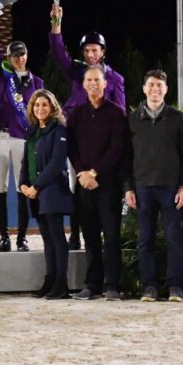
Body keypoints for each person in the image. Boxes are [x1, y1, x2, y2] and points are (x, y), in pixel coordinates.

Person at [49, 1, 126, 250]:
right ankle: (75, 234)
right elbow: (59, 55)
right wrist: (57, 23)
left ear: (102, 52)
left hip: (104, 141)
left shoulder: (115, 79)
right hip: (78, 138)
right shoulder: (78, 72)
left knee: (103, 188)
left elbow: (121, 111)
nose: (91, 55)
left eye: (95, 50)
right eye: (87, 51)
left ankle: (108, 233)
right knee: (76, 186)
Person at [124, 69, 183, 303]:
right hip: (142, 188)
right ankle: (149, 287)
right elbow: (126, 156)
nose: (155, 89)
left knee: (174, 239)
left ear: (166, 89)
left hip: (170, 189)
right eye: (151, 85)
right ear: (144, 88)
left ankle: (175, 287)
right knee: (145, 240)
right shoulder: (133, 118)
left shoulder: (177, 118)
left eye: (159, 85)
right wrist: (128, 188)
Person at [0, 12, 44, 252]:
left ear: (27, 56)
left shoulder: (37, 82)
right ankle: (3, 237)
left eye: (22, 54)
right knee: (0, 187)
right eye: (15, 55)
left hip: (22, 139)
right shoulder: (4, 75)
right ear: (9, 58)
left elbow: (43, 111)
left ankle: (21, 238)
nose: (19, 58)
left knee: (22, 189)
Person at [67, 66, 127, 301]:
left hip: (108, 185)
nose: (93, 84)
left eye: (97, 80)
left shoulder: (116, 113)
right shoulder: (77, 115)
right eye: (88, 80)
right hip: (83, 184)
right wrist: (82, 172)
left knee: (111, 236)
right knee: (90, 236)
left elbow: (117, 148)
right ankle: (92, 285)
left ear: (105, 84)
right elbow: (71, 148)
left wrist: (95, 172)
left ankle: (112, 284)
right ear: (83, 85)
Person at [18, 90, 72, 299]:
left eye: (45, 105)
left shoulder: (58, 130)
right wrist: (23, 184)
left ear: (52, 108)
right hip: (34, 192)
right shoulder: (32, 131)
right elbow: (26, 160)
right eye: (37, 105)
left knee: (57, 238)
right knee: (47, 239)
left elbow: (57, 163)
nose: (40, 108)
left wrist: (37, 186)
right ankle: (50, 280)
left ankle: (61, 284)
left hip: (52, 191)